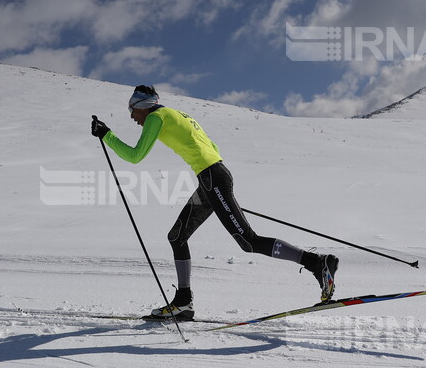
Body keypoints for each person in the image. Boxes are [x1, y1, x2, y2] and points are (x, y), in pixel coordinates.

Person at [91, 85, 339, 321]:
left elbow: (135, 156)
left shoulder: (157, 117)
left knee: (248, 241)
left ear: (142, 105)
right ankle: (183, 303)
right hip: (212, 179)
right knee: (177, 236)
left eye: (132, 110)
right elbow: (212, 146)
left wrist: (107, 135)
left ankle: (316, 263)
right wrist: (216, 192)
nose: (132, 117)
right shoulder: (179, 114)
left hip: (212, 179)